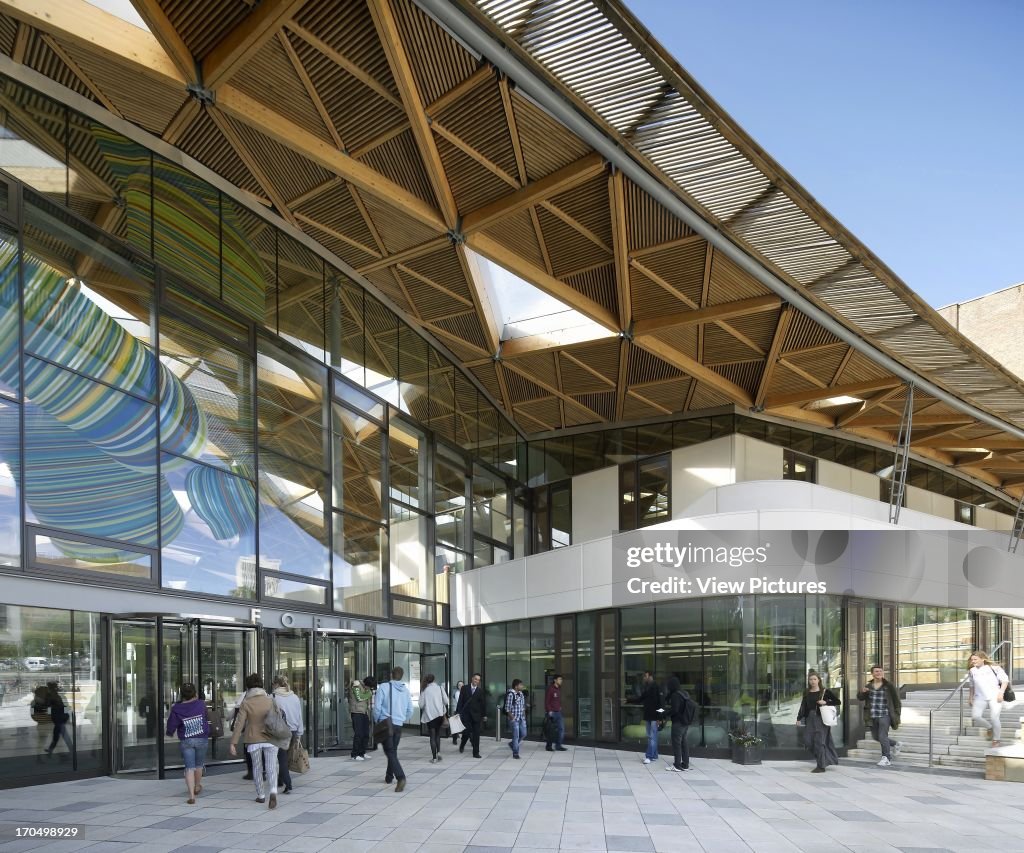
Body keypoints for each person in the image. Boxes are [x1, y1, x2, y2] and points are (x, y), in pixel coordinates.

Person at [230, 673, 288, 809]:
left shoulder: (246, 703)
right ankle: (273, 791)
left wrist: (233, 742)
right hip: (271, 737)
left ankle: (261, 795)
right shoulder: (271, 700)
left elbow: (239, 724)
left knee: (257, 767)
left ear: (248, 687)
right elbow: (278, 717)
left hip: (253, 739)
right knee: (271, 766)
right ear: (261, 685)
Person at [165, 683, 210, 804]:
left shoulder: (176, 708)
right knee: (199, 765)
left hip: (186, 740)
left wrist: (169, 732)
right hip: (201, 738)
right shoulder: (201, 704)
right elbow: (206, 717)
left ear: (182, 695)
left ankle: (191, 796)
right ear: (195, 693)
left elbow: (171, 725)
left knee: (189, 768)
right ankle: (197, 786)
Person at [373, 666, 413, 791]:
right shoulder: (405, 690)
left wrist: (377, 720)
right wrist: (401, 718)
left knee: (389, 752)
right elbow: (410, 710)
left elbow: (377, 707)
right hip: (398, 725)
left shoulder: (384, 687)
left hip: (386, 723)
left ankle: (401, 777)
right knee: (393, 751)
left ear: (391, 674)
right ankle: (388, 777)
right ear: (401, 676)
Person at [856, 665, 902, 766]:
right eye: (876, 671)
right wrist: (862, 692)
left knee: (882, 736)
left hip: (885, 714)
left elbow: (896, 701)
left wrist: (897, 715)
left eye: (881, 671)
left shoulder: (889, 685)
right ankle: (895, 744)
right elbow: (860, 698)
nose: (879, 673)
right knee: (876, 737)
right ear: (872, 673)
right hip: (872, 715)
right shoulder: (869, 686)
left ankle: (886, 758)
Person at [796, 671, 840, 773]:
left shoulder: (824, 691)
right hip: (810, 718)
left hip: (822, 719)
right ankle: (824, 759)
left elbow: (838, 701)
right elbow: (803, 706)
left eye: (814, 679)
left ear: (819, 680)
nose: (812, 681)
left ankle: (821, 766)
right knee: (807, 741)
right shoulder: (806, 692)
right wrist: (799, 718)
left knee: (819, 742)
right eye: (810, 679)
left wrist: (826, 702)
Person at [967, 651, 1009, 746]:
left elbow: (1005, 680)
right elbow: (972, 685)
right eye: (972, 659)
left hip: (995, 696)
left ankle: (996, 740)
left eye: (975, 659)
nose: (973, 661)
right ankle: (990, 727)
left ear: (982, 659)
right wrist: (970, 697)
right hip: (979, 697)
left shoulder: (994, 667)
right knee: (976, 716)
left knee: (994, 718)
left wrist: (1001, 693)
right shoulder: (972, 671)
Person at [271, 675, 304, 794]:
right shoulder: (294, 697)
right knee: (287, 757)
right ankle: (280, 780)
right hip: (294, 731)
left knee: (282, 758)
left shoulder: (273, 697)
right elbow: (299, 715)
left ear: (276, 684)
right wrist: (299, 733)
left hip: (281, 731)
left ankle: (288, 783)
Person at [664, 676, 693, 772]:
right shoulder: (685, 693)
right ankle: (685, 764)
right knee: (684, 743)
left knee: (676, 744)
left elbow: (675, 710)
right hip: (685, 722)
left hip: (678, 723)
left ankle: (677, 765)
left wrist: (665, 713)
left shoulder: (675, 695)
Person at [457, 674, 487, 757]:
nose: (476, 681)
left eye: (478, 680)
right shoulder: (464, 688)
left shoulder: (480, 691)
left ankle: (476, 752)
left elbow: (482, 704)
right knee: (466, 733)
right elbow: (460, 701)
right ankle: (462, 744)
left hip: (476, 715)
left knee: (476, 734)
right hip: (466, 715)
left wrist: (484, 715)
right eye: (475, 679)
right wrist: (458, 712)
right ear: (472, 679)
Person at [419, 673, 447, 763]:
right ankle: (438, 752)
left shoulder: (424, 690)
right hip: (439, 715)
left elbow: (421, 705)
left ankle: (434, 758)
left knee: (432, 736)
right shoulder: (439, 688)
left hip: (430, 716)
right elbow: (446, 701)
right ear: (434, 679)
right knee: (438, 734)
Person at [44, 682, 73, 757]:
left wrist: (66, 718)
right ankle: (50, 750)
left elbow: (49, 707)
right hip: (59, 719)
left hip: (59, 719)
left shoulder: (54, 697)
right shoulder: (56, 696)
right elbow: (65, 707)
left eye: (49, 688)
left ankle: (72, 750)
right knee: (56, 735)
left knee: (62, 736)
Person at [639, 671, 662, 764]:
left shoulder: (656, 687)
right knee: (653, 736)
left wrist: (660, 717)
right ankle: (655, 755)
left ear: (650, 676)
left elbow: (661, 704)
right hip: (648, 716)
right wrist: (628, 700)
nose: (644, 678)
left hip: (654, 717)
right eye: (643, 676)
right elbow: (641, 698)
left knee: (651, 737)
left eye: (645, 676)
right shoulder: (647, 688)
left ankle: (649, 756)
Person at [349, 678, 372, 761]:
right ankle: (354, 755)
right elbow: (359, 697)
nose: (370, 689)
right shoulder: (356, 685)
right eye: (370, 687)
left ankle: (362, 752)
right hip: (356, 712)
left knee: (366, 734)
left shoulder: (366, 689)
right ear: (367, 684)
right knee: (358, 734)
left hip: (364, 713)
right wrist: (368, 694)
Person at [505, 679, 527, 759]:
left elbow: (523, 706)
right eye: (521, 685)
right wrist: (513, 718)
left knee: (524, 734)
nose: (522, 686)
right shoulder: (511, 694)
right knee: (516, 736)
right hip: (514, 719)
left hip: (521, 718)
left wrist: (524, 717)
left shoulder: (521, 694)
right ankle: (515, 753)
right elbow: (507, 708)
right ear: (516, 686)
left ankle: (512, 744)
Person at [544, 673, 567, 752]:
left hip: (558, 712)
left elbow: (557, 700)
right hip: (552, 713)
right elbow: (547, 701)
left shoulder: (558, 689)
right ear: (555, 680)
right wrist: (549, 711)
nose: (561, 681)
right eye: (560, 679)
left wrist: (559, 707)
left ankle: (558, 745)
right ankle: (548, 746)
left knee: (561, 729)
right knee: (551, 730)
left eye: (561, 679)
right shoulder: (550, 689)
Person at [451, 680, 465, 745]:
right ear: (457, 686)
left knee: (466, 726)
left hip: (463, 712)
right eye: (459, 685)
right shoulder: (457, 693)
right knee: (456, 726)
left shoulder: (465, 693)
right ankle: (454, 739)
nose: (461, 686)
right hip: (457, 711)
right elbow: (460, 702)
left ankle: (470, 740)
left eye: (462, 685)